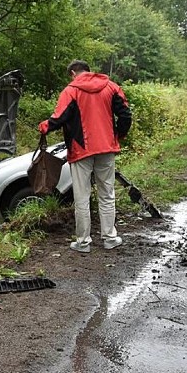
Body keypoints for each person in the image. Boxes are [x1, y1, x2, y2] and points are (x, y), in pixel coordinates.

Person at [38, 60, 132, 253]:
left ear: (73, 73)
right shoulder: (111, 86)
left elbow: (59, 117)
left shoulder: (70, 91)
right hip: (107, 148)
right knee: (107, 194)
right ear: (89, 71)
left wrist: (45, 126)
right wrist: (118, 135)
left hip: (81, 150)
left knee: (82, 196)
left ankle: (83, 242)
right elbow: (125, 115)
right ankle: (110, 238)